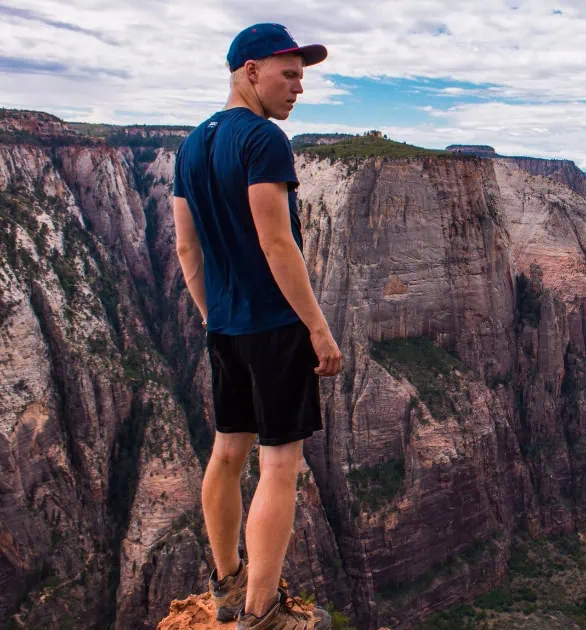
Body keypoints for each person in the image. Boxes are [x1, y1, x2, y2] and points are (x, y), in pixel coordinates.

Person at [172, 23, 342, 630]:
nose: (298, 88)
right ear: (250, 70)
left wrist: (211, 316)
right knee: (278, 468)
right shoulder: (264, 139)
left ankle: (225, 585)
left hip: (226, 328)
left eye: (301, 76)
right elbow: (278, 242)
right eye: (288, 74)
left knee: (225, 456)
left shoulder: (191, 146)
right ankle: (262, 613)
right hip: (274, 327)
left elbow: (187, 251)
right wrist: (317, 329)